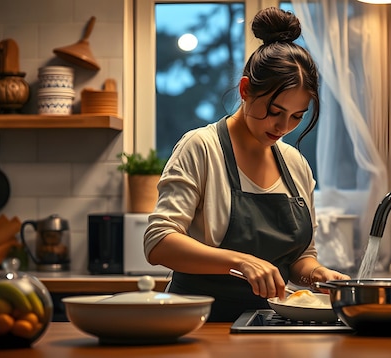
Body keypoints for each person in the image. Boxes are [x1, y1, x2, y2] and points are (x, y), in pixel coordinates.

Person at [144, 7, 350, 322]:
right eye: (274, 110)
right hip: (197, 324)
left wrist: (318, 274)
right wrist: (240, 261)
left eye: (297, 116)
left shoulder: (295, 165)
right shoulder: (201, 147)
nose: (283, 127)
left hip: (267, 323)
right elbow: (159, 242)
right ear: (244, 90)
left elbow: (301, 259)